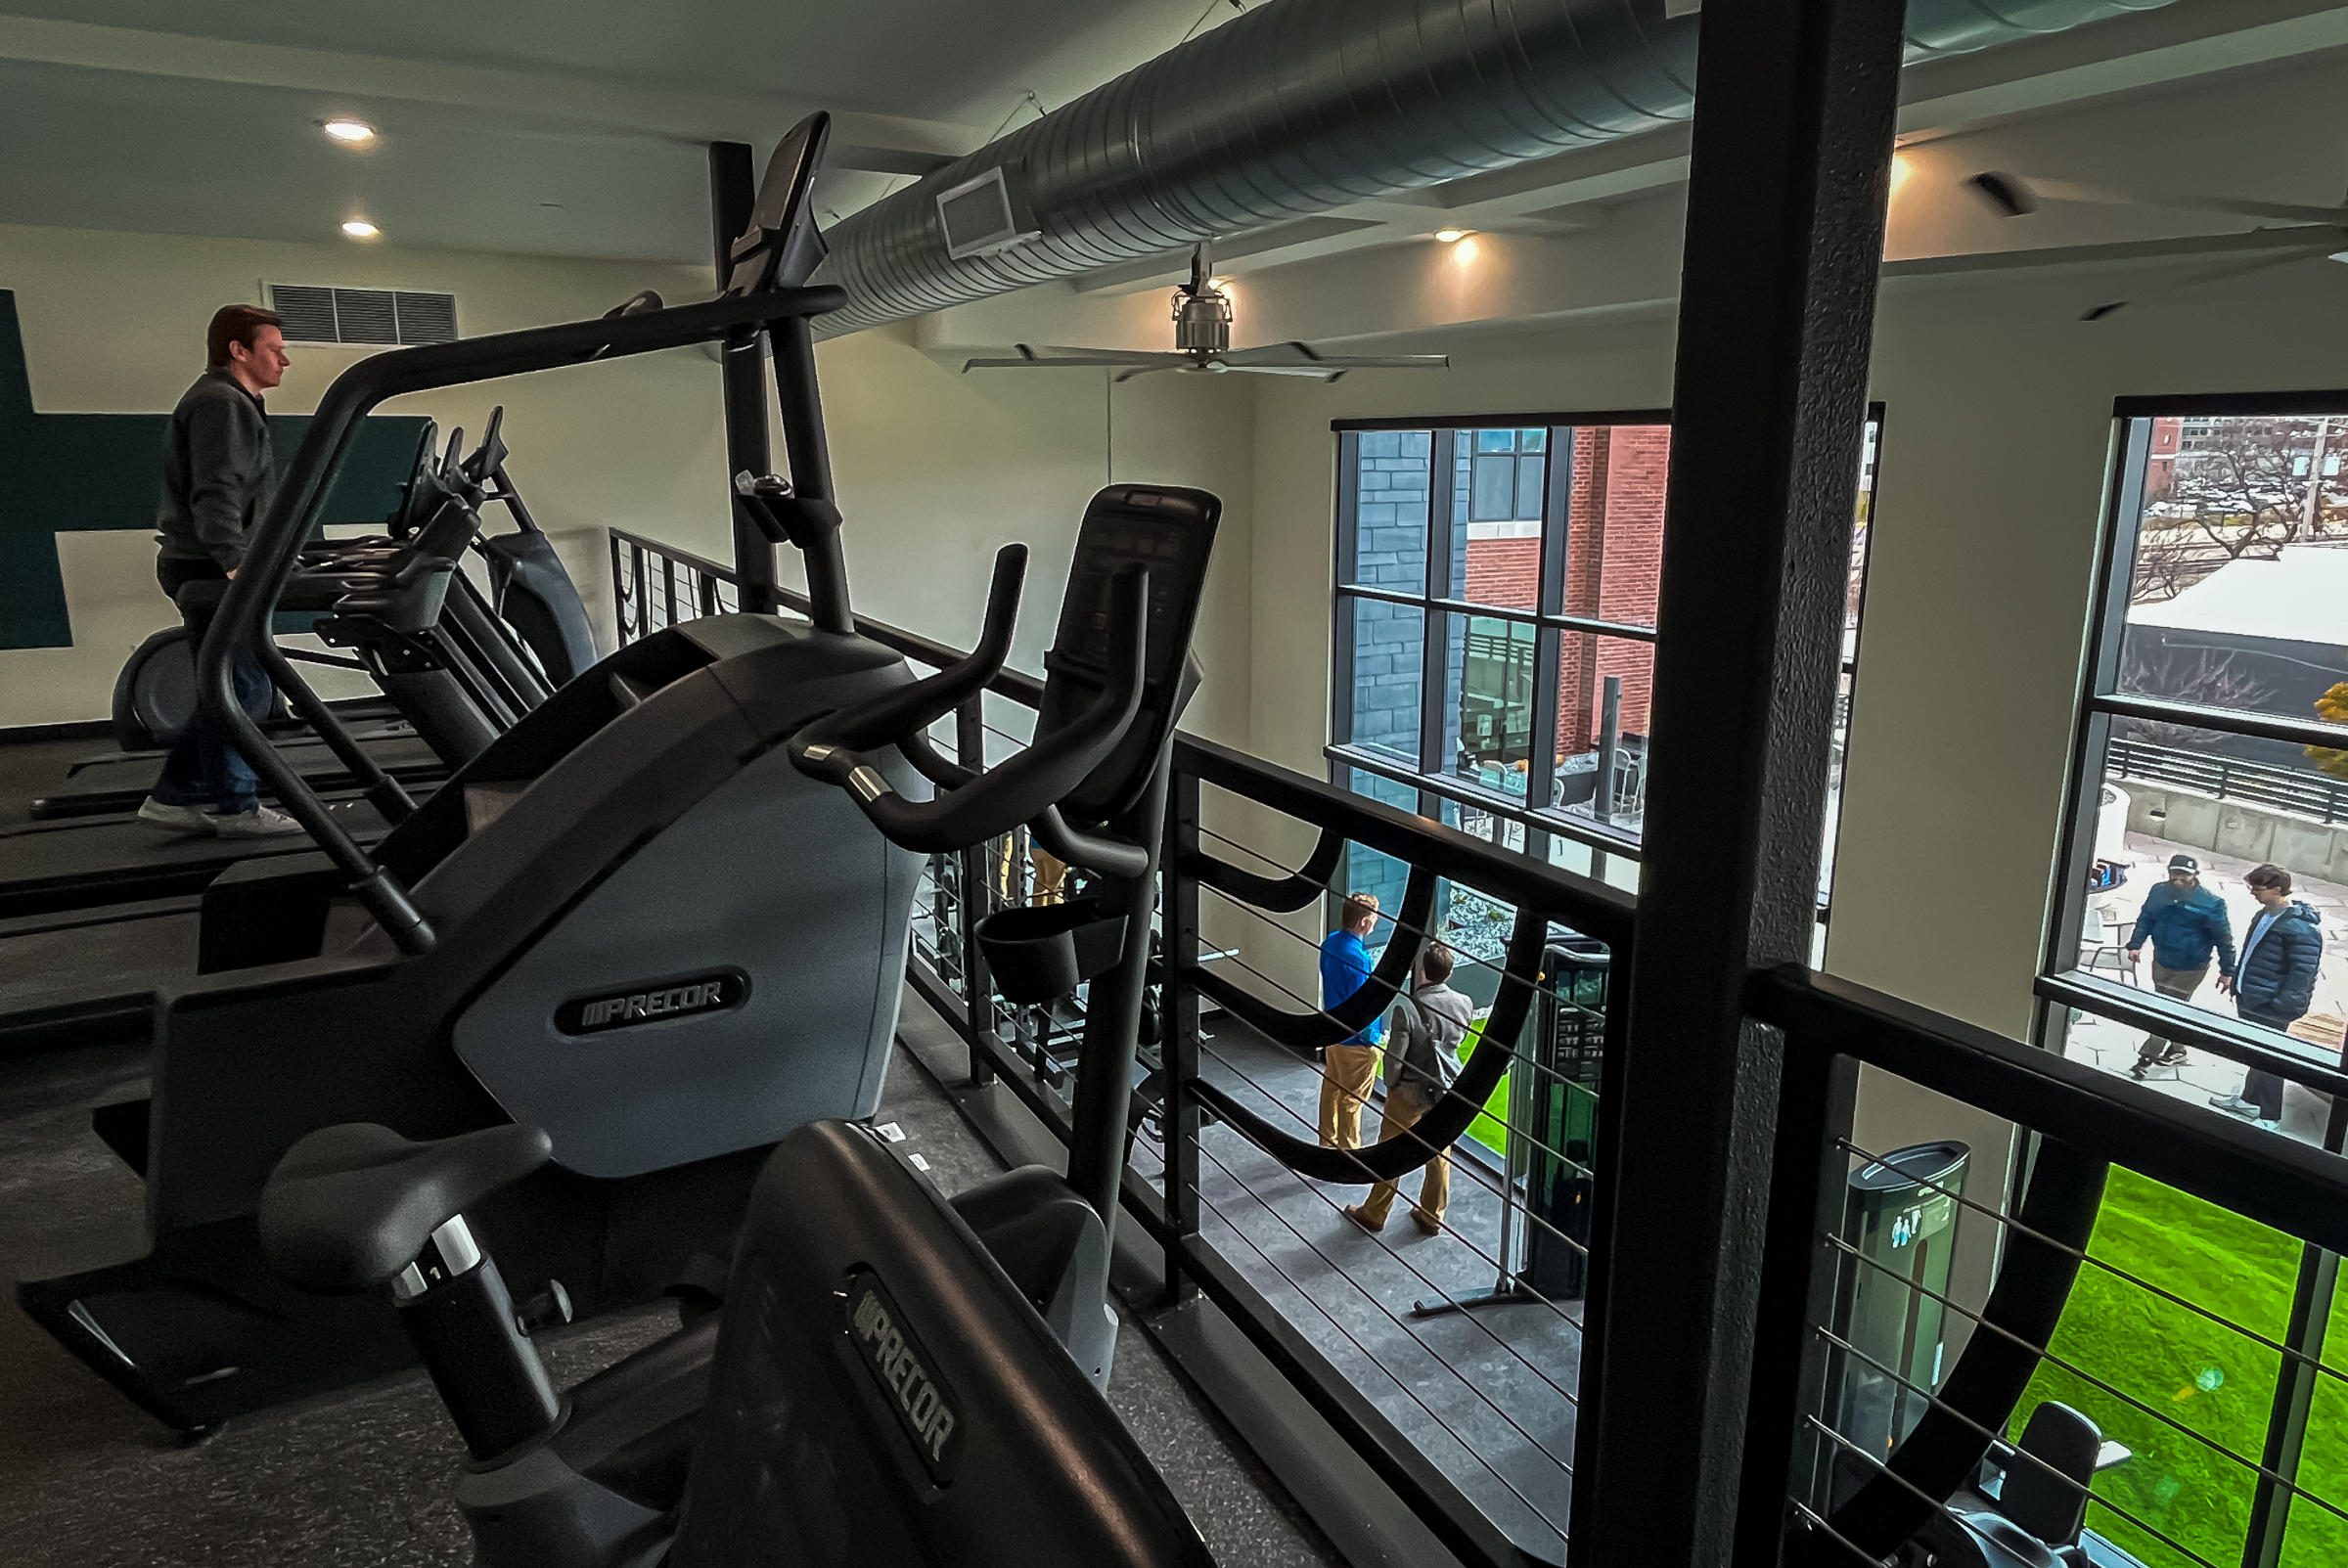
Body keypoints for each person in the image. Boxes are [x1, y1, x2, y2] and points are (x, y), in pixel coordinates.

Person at [137, 305, 303, 838]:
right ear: (239, 350)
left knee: (229, 687)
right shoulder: (219, 404)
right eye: (274, 348)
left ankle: (179, 796)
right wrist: (235, 561)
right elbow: (217, 490)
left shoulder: (233, 402)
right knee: (243, 691)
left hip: (210, 559)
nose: (285, 359)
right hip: (210, 563)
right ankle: (232, 807)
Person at [1345, 942, 1474, 1236]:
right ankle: (1432, 1215)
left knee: (1391, 1151)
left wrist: (1391, 1085)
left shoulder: (1408, 1008)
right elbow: (1458, 1041)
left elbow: (1395, 1060)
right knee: (1439, 1152)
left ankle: (1375, 1212)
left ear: (1422, 970)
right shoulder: (1464, 1003)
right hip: (1443, 1092)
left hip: (1408, 1093)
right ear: (1450, 972)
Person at [2210, 864, 2323, 1130]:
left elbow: (2303, 974)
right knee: (2254, 1054)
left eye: (2257, 889)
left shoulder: (2300, 928)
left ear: (2277, 889)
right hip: (2251, 998)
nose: (2252, 894)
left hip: (2270, 1007)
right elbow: (2252, 953)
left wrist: (2281, 1006)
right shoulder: (2264, 914)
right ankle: (2249, 1100)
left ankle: (2270, 1117)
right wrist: (2237, 981)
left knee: (2269, 1061)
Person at [2124, 853, 2235, 1077]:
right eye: (2175, 872)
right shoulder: (2158, 891)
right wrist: (2135, 945)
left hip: (2191, 966)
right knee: (2168, 1007)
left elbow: (2224, 939)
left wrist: (2227, 971)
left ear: (2195, 875)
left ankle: (2146, 1059)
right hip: (2162, 960)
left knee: (2166, 1010)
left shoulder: (2212, 903)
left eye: (2184, 874)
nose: (2178, 878)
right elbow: (2146, 918)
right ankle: (2179, 1050)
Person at [1318, 892, 1384, 1150]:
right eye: (1374, 918)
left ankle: (1327, 1141)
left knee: (1332, 1087)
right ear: (1364, 923)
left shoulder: (1331, 942)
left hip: (1333, 1033)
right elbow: (1363, 1006)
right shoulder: (1358, 959)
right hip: (1356, 1043)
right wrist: (1372, 1042)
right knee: (1352, 1099)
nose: (1376, 922)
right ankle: (1349, 1152)